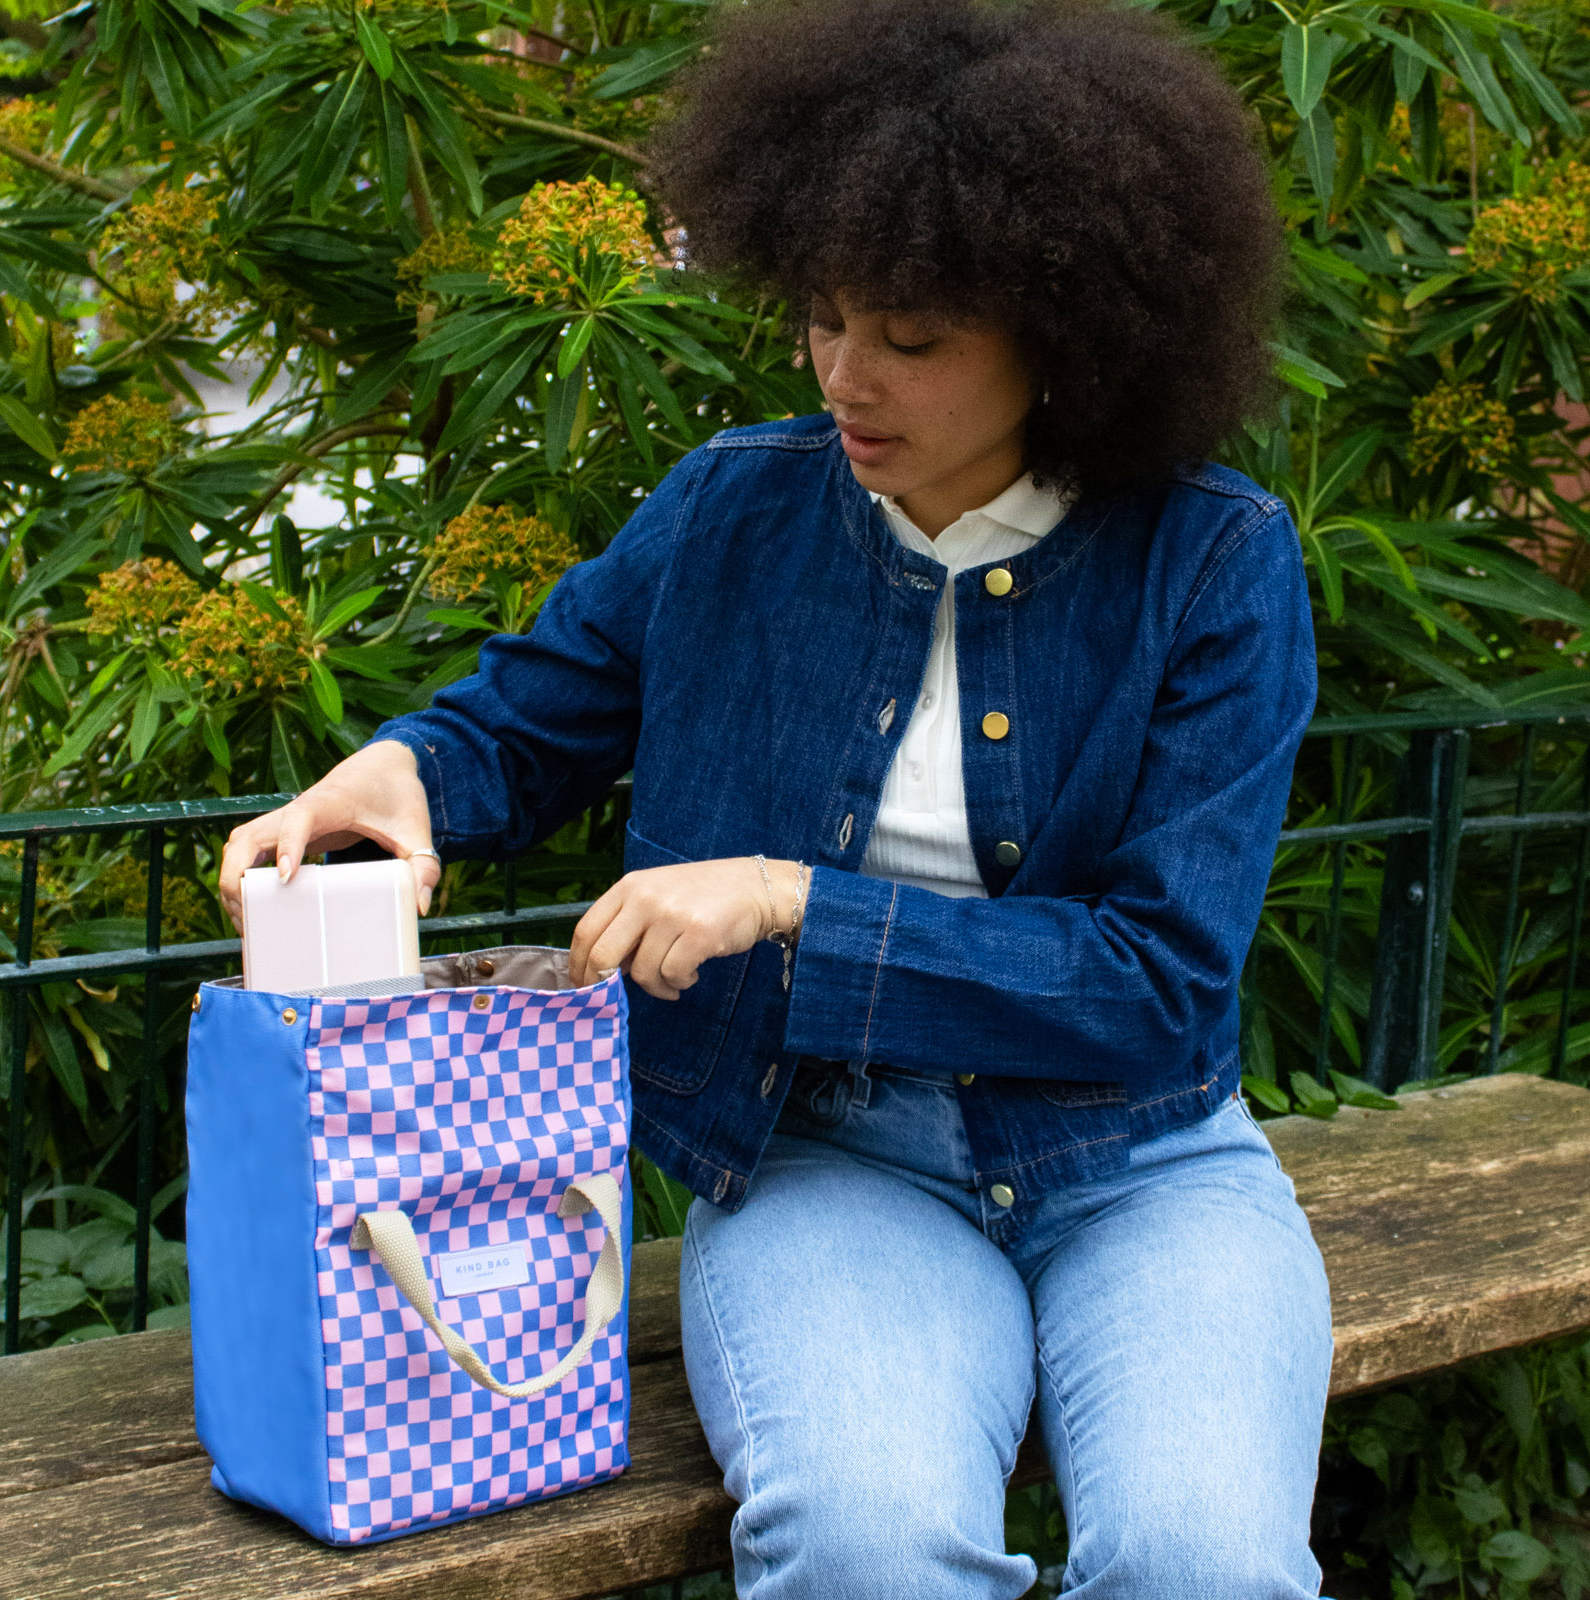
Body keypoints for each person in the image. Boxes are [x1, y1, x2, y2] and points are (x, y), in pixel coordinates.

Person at [218, 0, 1333, 1593]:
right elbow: (530, 718)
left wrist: (792, 897)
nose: (845, 377)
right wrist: (403, 772)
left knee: (1202, 1561)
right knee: (862, 1547)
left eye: (915, 338)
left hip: (1143, 1165)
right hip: (825, 1156)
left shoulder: (1216, 562)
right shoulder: (734, 508)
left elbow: (1154, 984)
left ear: (1072, 335)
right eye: (823, 317)